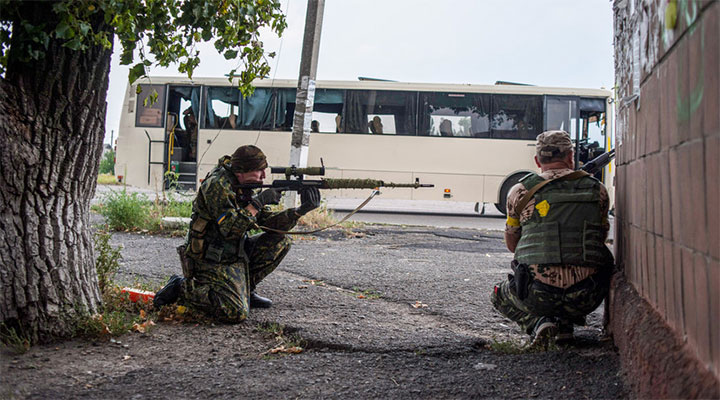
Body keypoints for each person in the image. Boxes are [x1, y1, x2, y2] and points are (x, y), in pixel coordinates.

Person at [154, 145, 321, 322]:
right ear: (241, 171)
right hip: (210, 258)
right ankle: (182, 287)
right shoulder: (217, 185)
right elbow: (229, 229)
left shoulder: (244, 185)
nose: (264, 176)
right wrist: (258, 203)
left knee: (281, 241)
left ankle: (246, 288)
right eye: (259, 171)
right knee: (234, 313)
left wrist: (299, 211)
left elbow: (266, 223)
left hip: (233, 252)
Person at [490, 130, 614, 346]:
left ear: (538, 160)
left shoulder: (519, 191)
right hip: (588, 295)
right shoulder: (598, 190)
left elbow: (513, 245)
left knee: (498, 295)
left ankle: (538, 323)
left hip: (537, 294)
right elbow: (599, 238)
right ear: (571, 156)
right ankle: (563, 327)